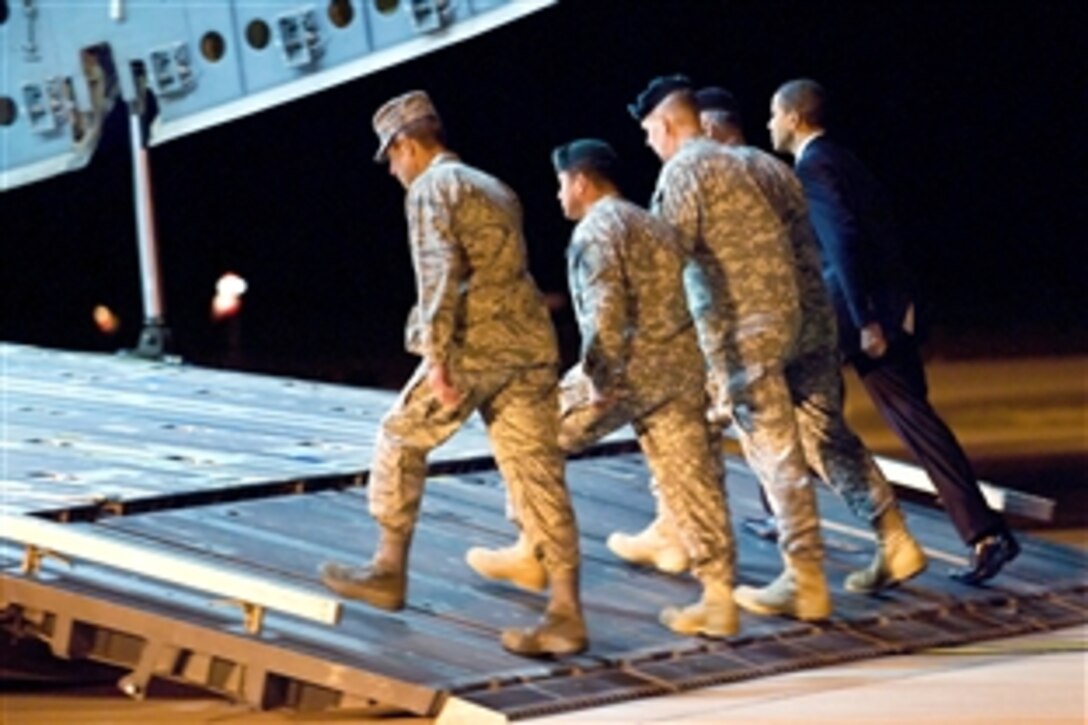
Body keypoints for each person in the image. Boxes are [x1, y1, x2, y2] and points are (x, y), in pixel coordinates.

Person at [626, 75, 928, 622]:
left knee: (771, 448)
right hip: (808, 326)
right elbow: (811, 248)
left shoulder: (682, 173)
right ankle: (893, 536)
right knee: (827, 437)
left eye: (649, 131)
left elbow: (663, 268)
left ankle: (803, 576)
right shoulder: (771, 169)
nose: (649, 143)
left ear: (667, 125)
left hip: (744, 334)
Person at [319, 90, 587, 656]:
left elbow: (437, 276)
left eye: (391, 157)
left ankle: (388, 569)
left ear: (408, 145)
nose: (392, 169)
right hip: (530, 348)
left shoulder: (431, 189)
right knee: (537, 473)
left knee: (399, 438)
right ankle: (566, 613)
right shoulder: (493, 186)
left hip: (473, 349)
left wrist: (436, 359)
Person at [468, 139, 738, 637]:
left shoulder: (597, 230)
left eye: (560, 184)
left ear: (581, 182)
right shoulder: (655, 226)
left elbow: (605, 310)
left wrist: (597, 375)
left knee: (527, 435)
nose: (557, 196)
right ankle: (718, 596)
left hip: (627, 371)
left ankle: (532, 548)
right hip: (680, 371)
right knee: (690, 477)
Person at [768, 78, 1020, 584]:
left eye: (773, 114)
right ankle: (986, 535)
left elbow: (843, 241)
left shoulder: (814, 165)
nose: (769, 124)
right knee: (914, 421)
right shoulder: (842, 159)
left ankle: (793, 526)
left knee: (788, 401)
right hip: (884, 307)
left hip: (861, 316)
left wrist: (866, 321)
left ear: (794, 118)